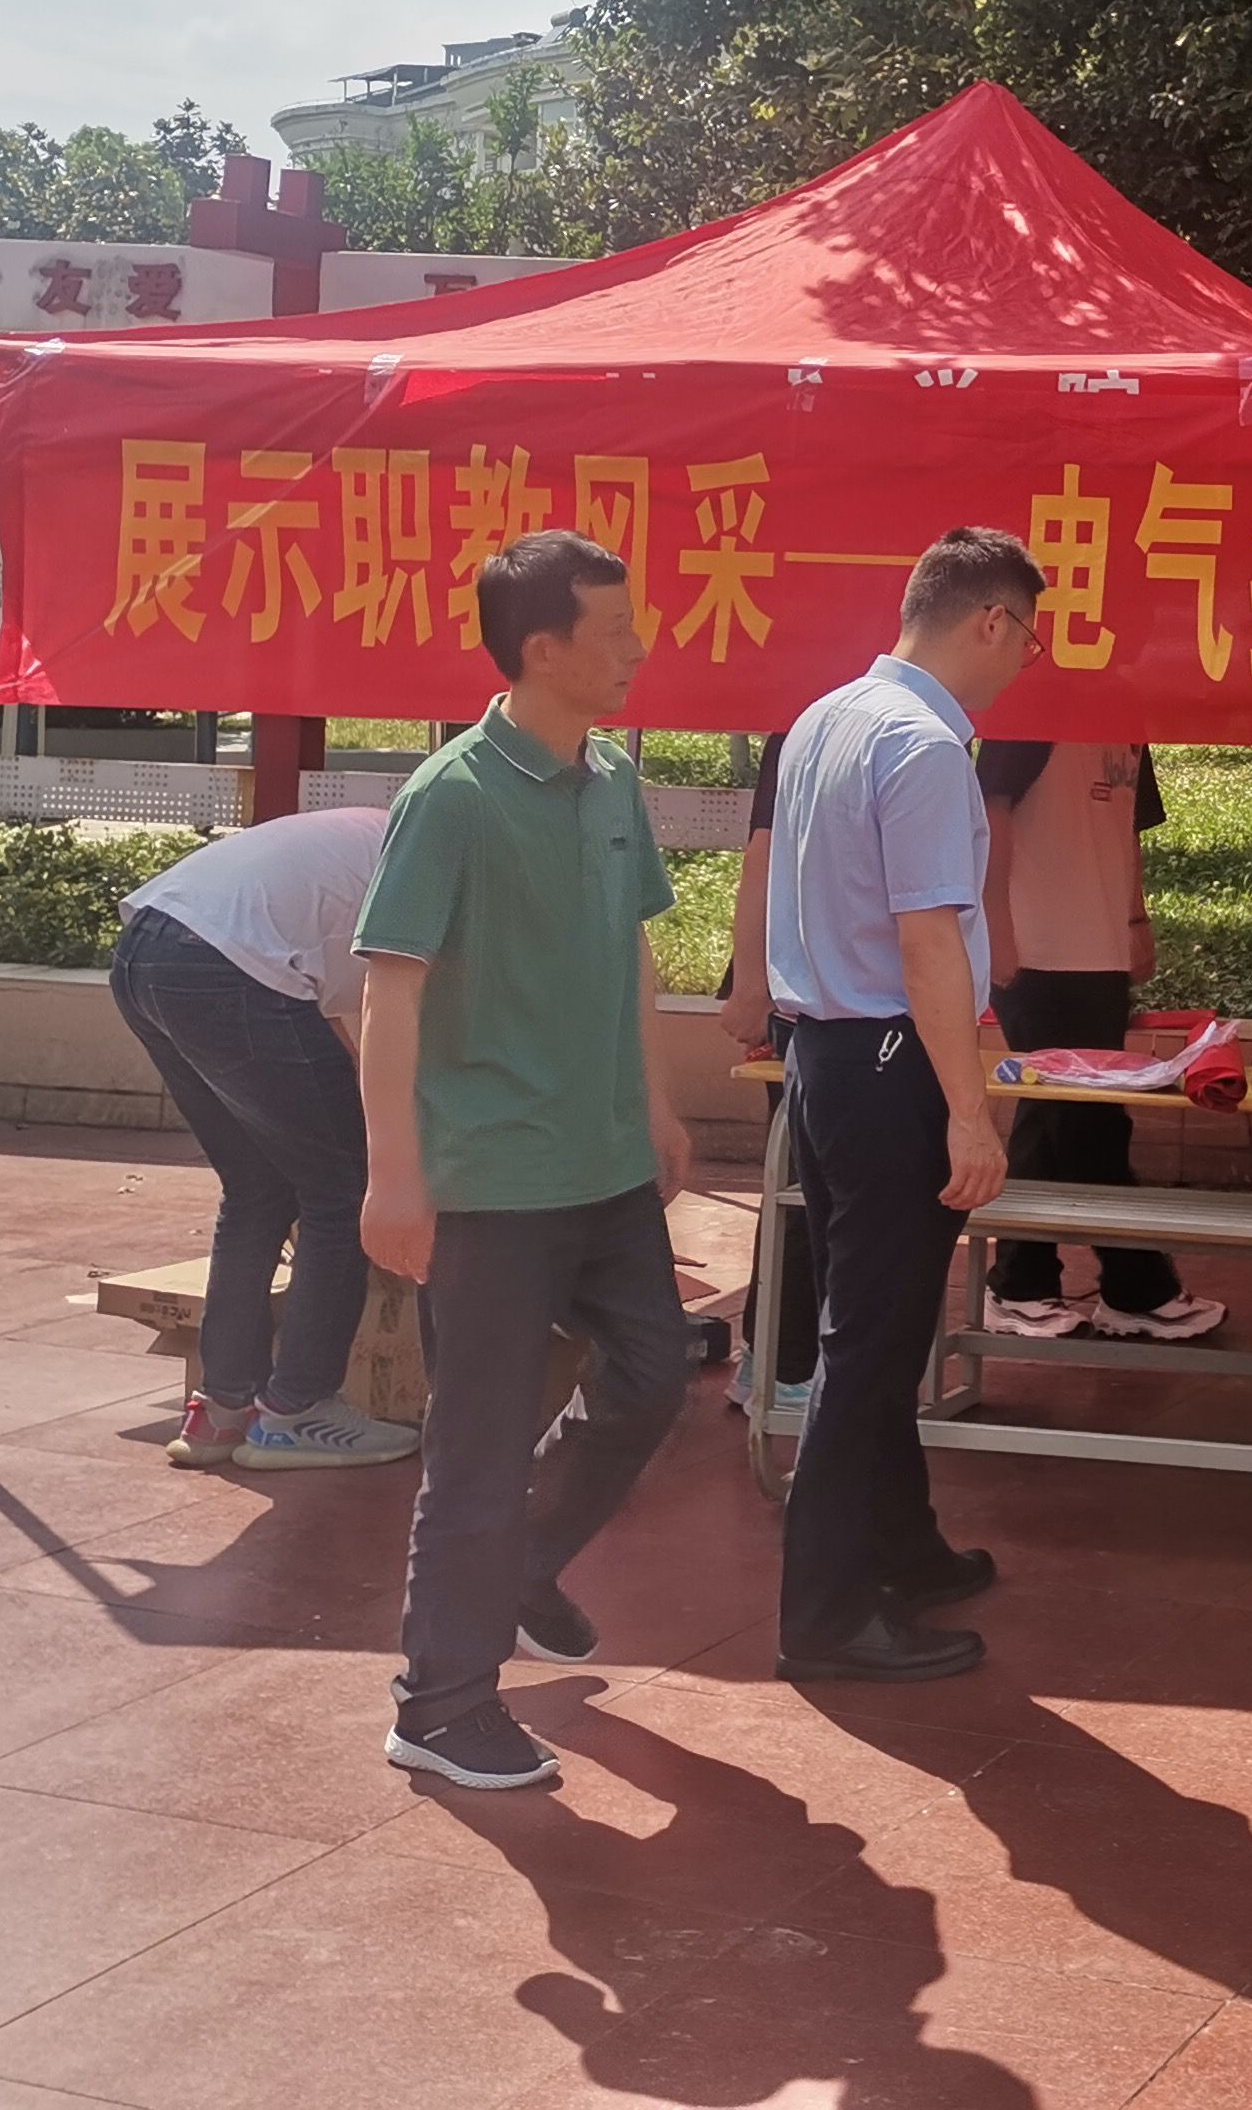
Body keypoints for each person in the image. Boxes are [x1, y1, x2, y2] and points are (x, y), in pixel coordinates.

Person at [358, 530, 698, 1793]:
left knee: (655, 1376)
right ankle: (440, 1706)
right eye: (616, 632)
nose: (638, 651)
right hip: (492, 1182)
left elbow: (633, 953)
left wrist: (656, 1107)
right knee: (477, 1453)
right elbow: (391, 991)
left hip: (605, 1166)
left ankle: (527, 1561)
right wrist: (395, 1177)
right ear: (544, 649)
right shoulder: (450, 796)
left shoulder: (612, 779)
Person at [762, 527, 1044, 1686]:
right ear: (989, 621)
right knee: (872, 1342)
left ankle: (901, 1545)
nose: (1025, 661)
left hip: (827, 1054)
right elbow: (928, 939)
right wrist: (968, 1111)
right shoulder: (925, 746)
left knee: (872, 1322)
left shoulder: (827, 717)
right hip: (891, 1061)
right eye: (1027, 638)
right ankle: (826, 1614)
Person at [111, 804, 417, 1472]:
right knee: (345, 1190)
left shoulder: (387, 837)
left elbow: (330, 1032)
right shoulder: (446, 870)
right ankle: (297, 1411)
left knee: (258, 1185)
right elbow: (401, 1035)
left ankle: (222, 1410)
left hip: (148, 950)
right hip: (231, 966)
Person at [974, 741, 1221, 1343]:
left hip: (1100, 954)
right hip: (1038, 952)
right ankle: (1133, 1289)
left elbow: (1127, 829)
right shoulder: (1030, 715)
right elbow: (987, 814)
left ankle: (1024, 1285)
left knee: (1059, 1119)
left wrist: (1135, 921)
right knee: (1085, 1123)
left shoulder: (1128, 720)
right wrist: (996, 928)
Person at [718, 734, 817, 1414]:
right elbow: (765, 854)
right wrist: (752, 981)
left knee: (817, 1182)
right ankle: (780, 1367)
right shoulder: (805, 725)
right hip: (801, 996)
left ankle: (777, 1357)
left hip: (846, 996)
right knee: (804, 1183)